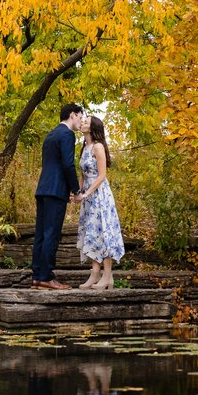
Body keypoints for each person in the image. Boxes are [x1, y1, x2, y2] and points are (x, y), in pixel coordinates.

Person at [31, 103, 84, 290]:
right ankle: (46, 276)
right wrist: (76, 190)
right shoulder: (67, 135)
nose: (80, 121)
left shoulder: (51, 134)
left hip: (43, 189)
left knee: (41, 234)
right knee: (51, 234)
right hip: (56, 191)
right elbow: (68, 165)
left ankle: (37, 277)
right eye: (80, 117)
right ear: (72, 115)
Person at [75, 115, 125, 290]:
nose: (82, 123)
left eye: (86, 122)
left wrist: (88, 192)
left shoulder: (98, 147)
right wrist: (77, 192)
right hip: (88, 197)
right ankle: (95, 273)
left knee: (103, 232)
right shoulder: (85, 147)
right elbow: (82, 175)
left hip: (100, 195)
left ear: (93, 127)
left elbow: (102, 175)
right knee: (92, 233)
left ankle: (107, 276)